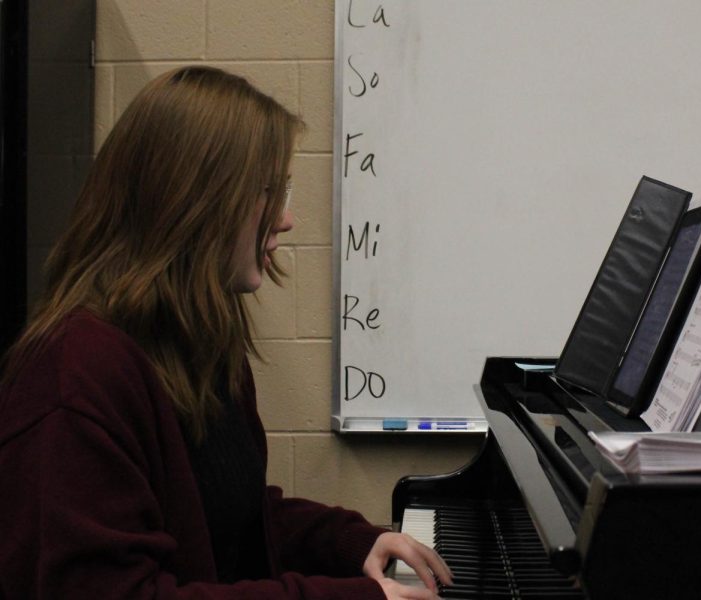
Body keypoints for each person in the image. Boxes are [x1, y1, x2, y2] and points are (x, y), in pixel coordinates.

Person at [0, 66, 451, 599]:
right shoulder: (73, 378)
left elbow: (233, 524)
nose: (285, 219)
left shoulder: (196, 344)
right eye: (268, 191)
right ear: (196, 203)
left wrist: (349, 544)